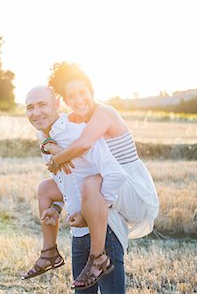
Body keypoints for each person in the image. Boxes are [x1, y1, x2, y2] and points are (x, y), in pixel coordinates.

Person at [23, 62, 159, 292]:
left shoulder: (104, 112)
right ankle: (49, 251)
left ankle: (98, 256)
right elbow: (72, 163)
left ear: (92, 91)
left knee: (89, 183)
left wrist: (56, 157)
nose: (77, 100)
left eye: (82, 93)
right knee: (46, 188)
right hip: (104, 179)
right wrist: (48, 144)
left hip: (128, 181)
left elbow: (84, 144)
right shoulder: (76, 119)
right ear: (64, 100)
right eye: (71, 96)